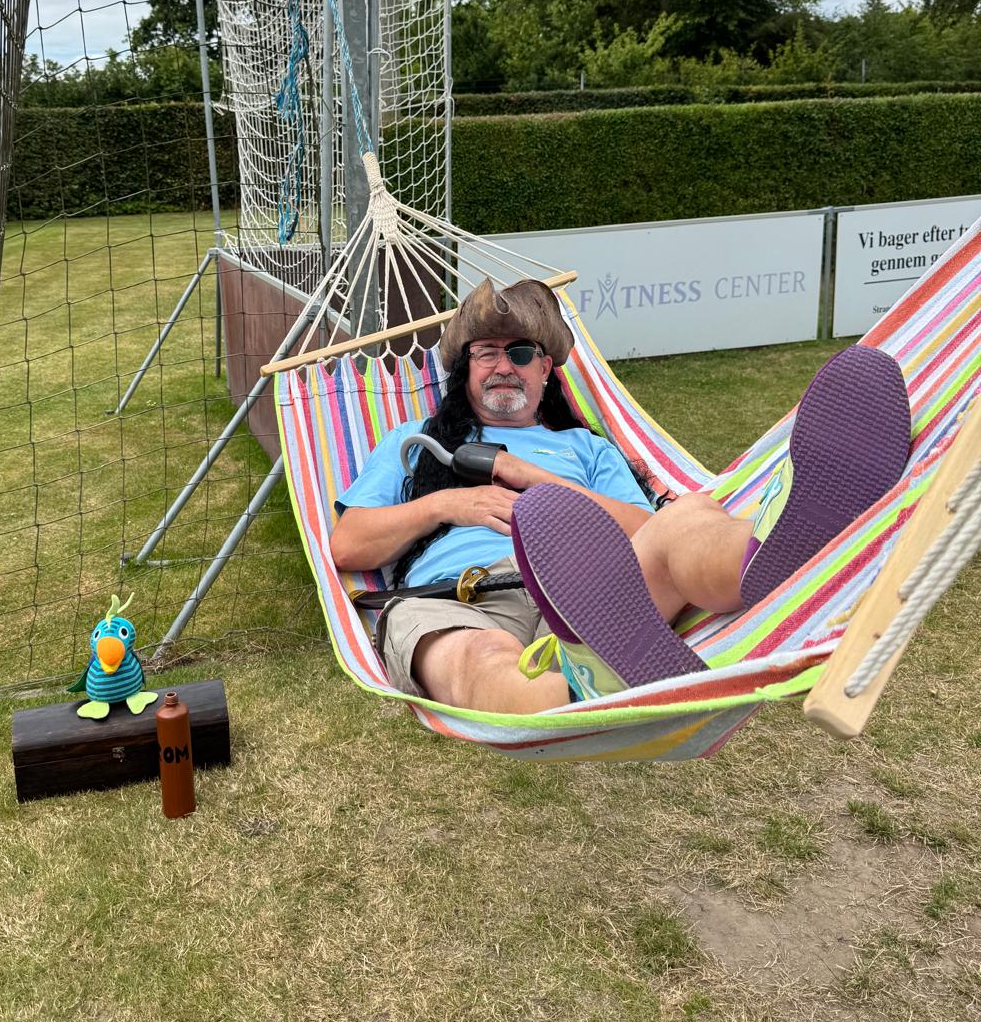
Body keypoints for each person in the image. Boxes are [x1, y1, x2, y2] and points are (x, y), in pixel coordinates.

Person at [330, 276, 911, 714]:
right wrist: (447, 505)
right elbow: (348, 546)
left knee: (688, 516)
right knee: (482, 662)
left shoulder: (587, 450)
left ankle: (766, 552)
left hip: (588, 591)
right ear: (466, 369)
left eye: (521, 352)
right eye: (487, 352)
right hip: (463, 598)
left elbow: (643, 530)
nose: (504, 365)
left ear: (546, 370)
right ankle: (578, 688)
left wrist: (532, 478)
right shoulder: (416, 443)